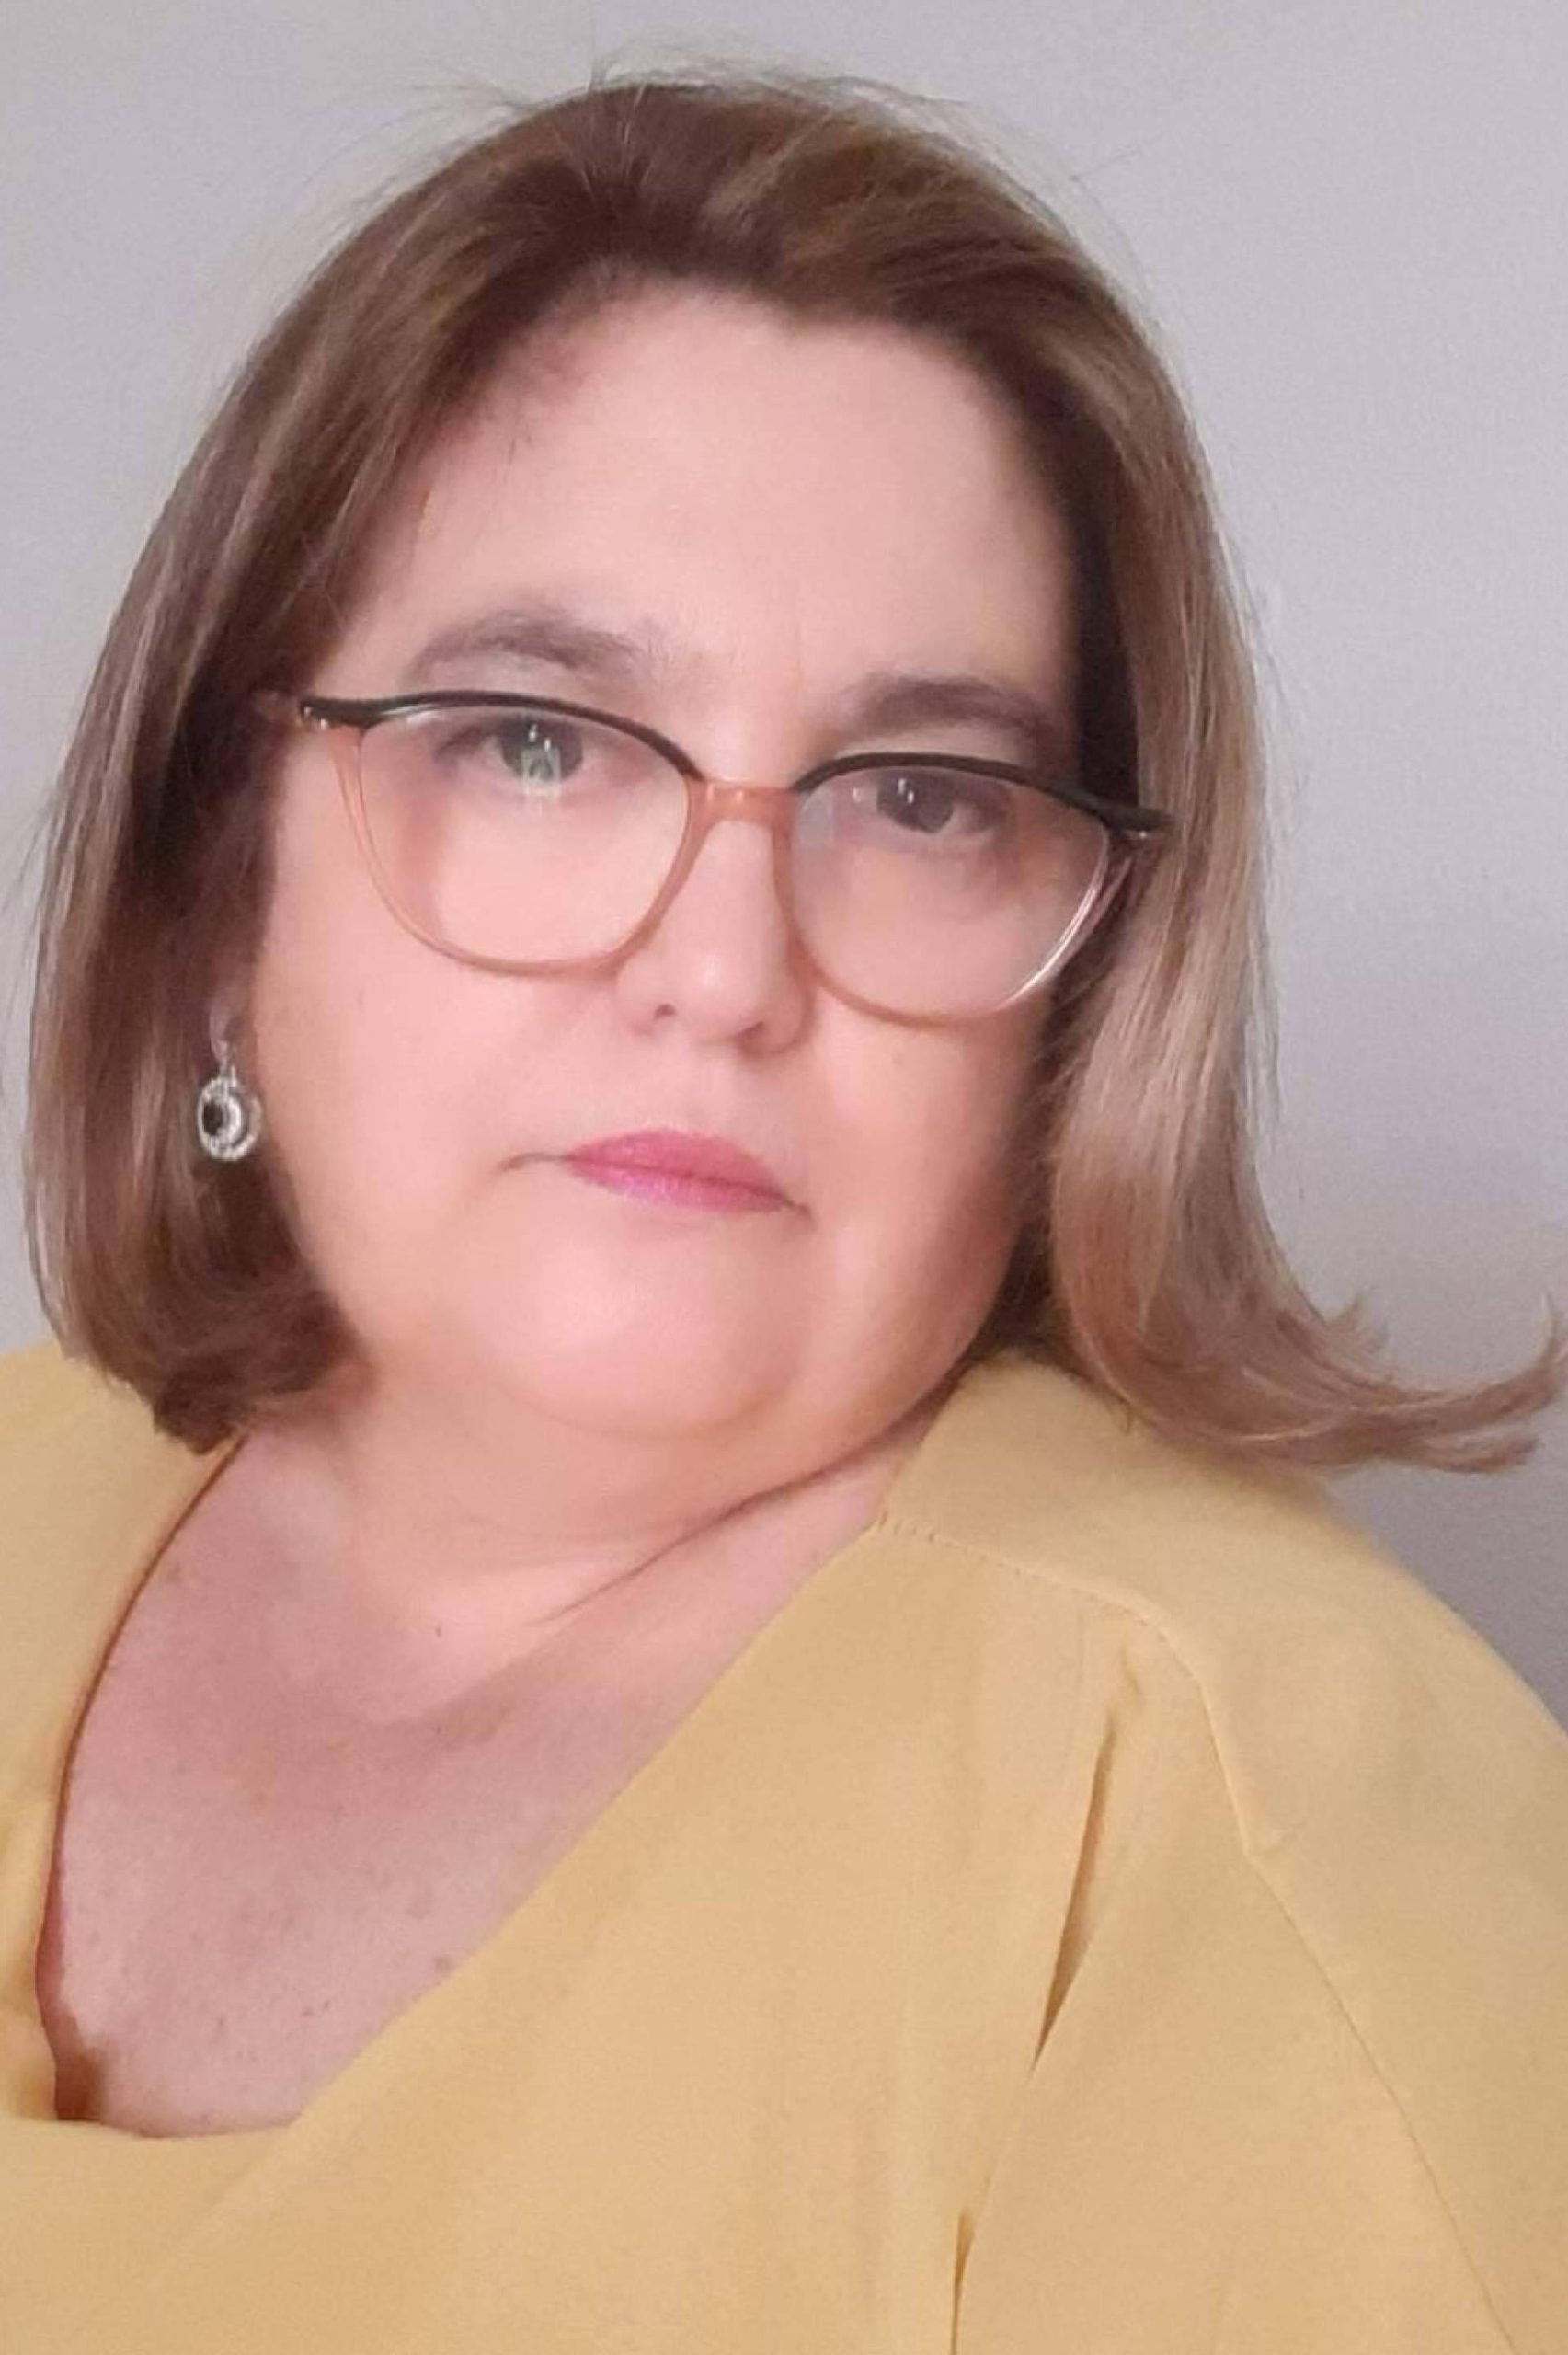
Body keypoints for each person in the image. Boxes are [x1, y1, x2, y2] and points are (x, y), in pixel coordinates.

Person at [1, 64, 1563, 2355]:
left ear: (1082, 990)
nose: (723, 968)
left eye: (917, 796)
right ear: (216, 877)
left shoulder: (1266, 1820)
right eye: (537, 739)